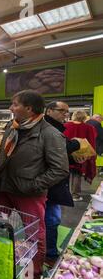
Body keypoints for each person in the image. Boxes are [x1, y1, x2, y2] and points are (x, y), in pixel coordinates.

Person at [0, 90, 69, 279]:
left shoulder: (50, 134)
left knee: (35, 237)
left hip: (30, 195)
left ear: (29, 108)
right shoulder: (12, 126)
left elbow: (59, 169)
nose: (10, 108)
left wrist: (33, 185)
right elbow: (3, 154)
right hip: (4, 189)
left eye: (14, 104)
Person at [44, 101, 81, 265]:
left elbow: (56, 154)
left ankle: (47, 251)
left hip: (51, 181)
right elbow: (56, 150)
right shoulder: (49, 129)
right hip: (49, 182)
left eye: (67, 111)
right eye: (62, 111)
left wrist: (71, 157)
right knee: (51, 218)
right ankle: (49, 253)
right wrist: (75, 145)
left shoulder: (54, 127)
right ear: (49, 110)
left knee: (50, 217)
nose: (65, 114)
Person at [64, 110, 97, 201]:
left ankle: (65, 195)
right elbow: (91, 142)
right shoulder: (89, 128)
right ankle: (75, 195)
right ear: (84, 117)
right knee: (76, 174)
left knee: (64, 174)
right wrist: (91, 157)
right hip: (81, 155)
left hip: (66, 153)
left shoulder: (65, 125)